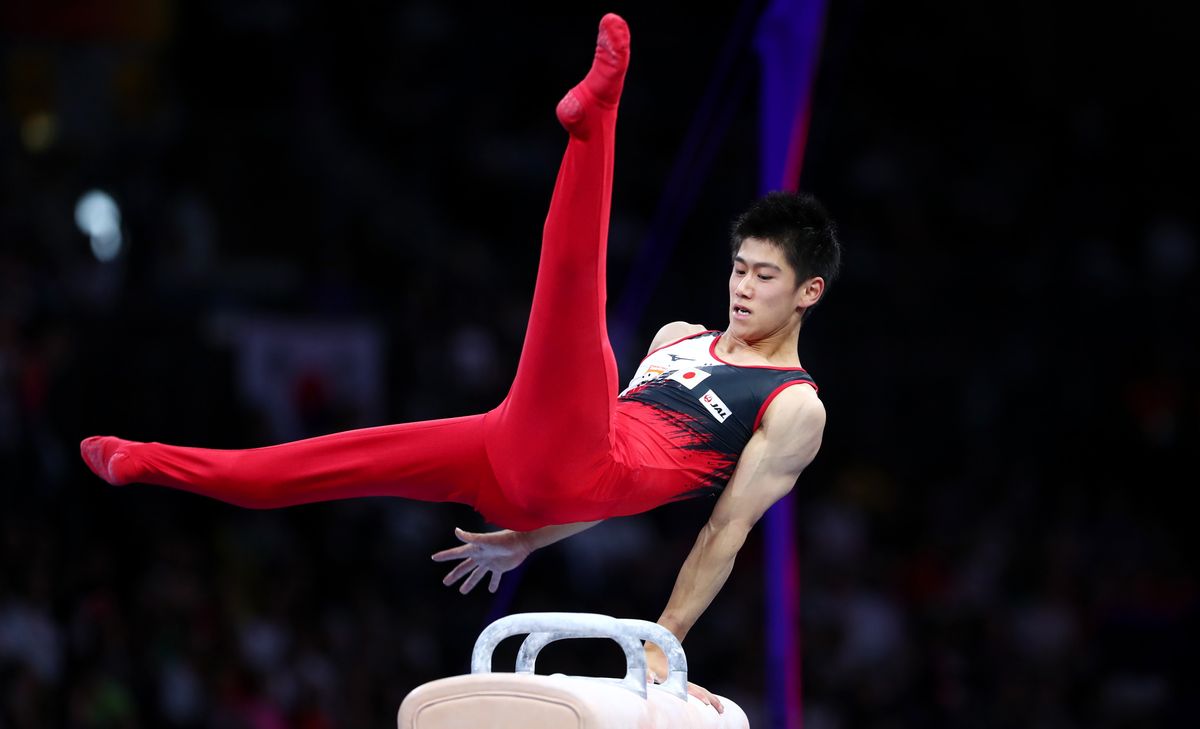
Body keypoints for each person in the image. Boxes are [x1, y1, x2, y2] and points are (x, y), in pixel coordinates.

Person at [80, 13, 839, 712]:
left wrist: (660, 645)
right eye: (739, 267)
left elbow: (724, 531)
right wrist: (529, 537)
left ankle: (595, 118)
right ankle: (143, 460)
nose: (741, 286)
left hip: (580, 463)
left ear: (807, 291)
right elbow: (593, 474)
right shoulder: (679, 333)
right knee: (307, 467)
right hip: (517, 452)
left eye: (763, 276)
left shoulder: (793, 406)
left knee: (573, 293)